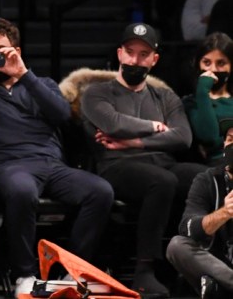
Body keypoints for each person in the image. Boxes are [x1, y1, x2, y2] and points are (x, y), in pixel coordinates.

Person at [0, 18, 114, 298]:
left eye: (2, 50)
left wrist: (24, 74)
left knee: (100, 191)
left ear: (16, 50)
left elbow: (62, 114)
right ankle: (24, 274)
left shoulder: (41, 83)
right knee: (22, 191)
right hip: (9, 165)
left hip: (52, 164)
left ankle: (73, 271)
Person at [81, 22, 207, 298]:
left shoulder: (165, 95)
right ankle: (144, 271)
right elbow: (113, 123)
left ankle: (203, 262)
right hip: (116, 165)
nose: (135, 60)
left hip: (161, 162)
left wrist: (134, 140)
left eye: (143, 54)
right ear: (119, 54)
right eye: (130, 52)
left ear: (154, 59)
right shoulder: (96, 92)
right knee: (162, 181)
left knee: (206, 177)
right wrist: (154, 126)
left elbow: (183, 137)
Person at [166, 118, 233, 298]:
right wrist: (224, 213)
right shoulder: (208, 179)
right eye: (230, 139)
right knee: (177, 246)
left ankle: (221, 290)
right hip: (220, 265)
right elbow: (188, 228)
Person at [184, 32, 233, 165]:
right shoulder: (191, 103)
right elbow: (209, 138)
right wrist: (202, 92)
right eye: (206, 62)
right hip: (220, 166)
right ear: (197, 64)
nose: (212, 70)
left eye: (221, 63)